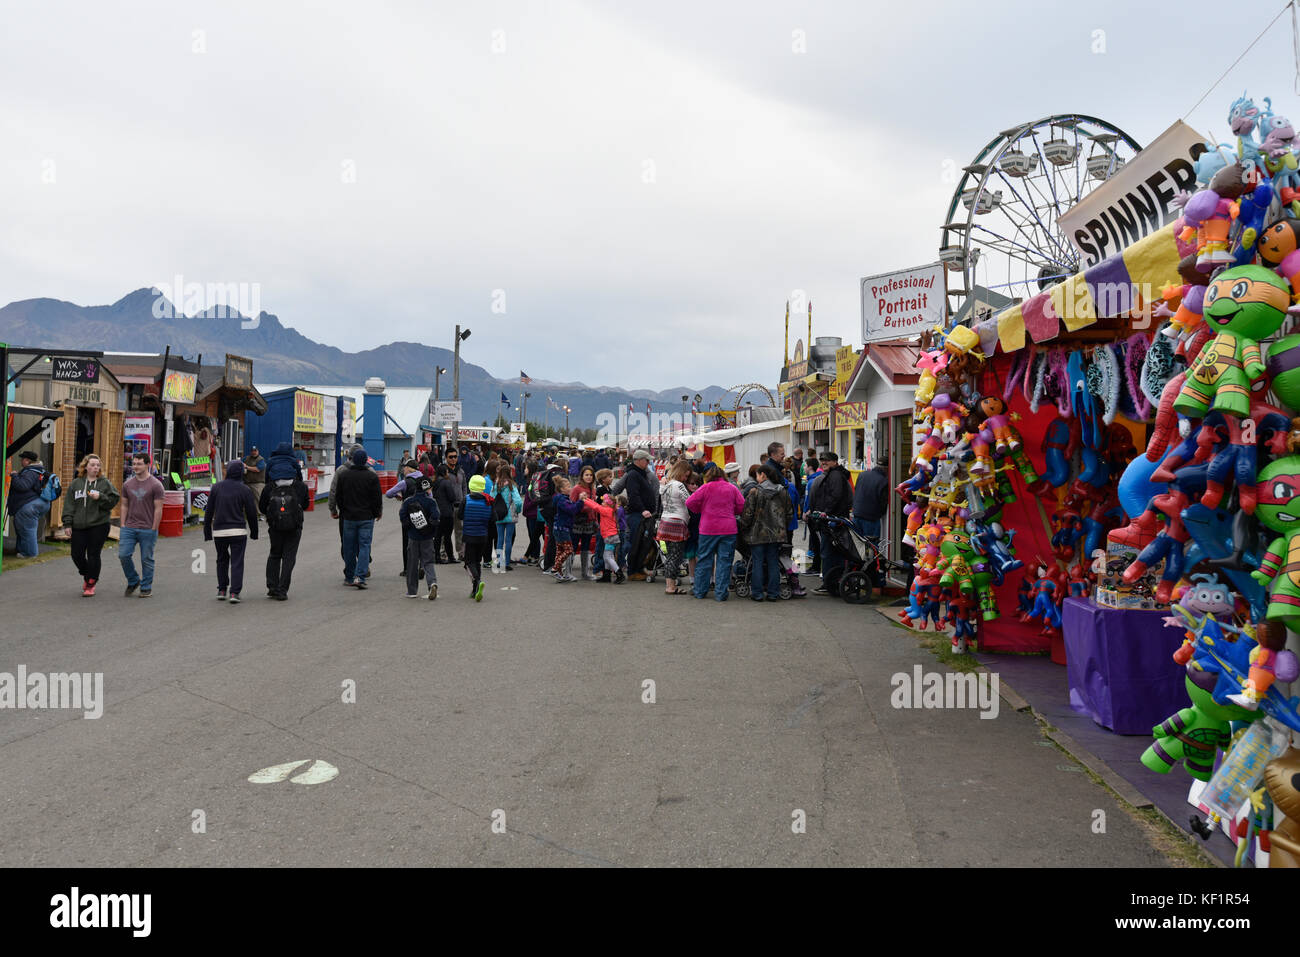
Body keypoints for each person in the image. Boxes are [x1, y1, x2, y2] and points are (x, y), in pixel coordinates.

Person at [61, 453, 120, 596]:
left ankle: (91, 583)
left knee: (93, 554)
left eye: (98, 465)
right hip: (79, 525)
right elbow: (69, 505)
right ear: (85, 466)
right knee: (76, 554)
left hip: (99, 524)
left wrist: (101, 497)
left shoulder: (104, 483)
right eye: (92, 465)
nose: (95, 468)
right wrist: (67, 523)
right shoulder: (76, 484)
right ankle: (88, 574)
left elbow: (113, 500)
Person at [204, 459, 260, 603]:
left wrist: (207, 532)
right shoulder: (245, 489)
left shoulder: (216, 488)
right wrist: (254, 532)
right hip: (238, 531)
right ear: (241, 472)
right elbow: (251, 513)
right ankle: (234, 593)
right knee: (237, 561)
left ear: (228, 471)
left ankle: (222, 589)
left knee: (221, 560)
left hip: (219, 531)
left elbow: (209, 511)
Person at [686, 464, 745, 601]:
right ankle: (721, 593)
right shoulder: (731, 488)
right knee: (724, 561)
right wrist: (732, 511)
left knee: (704, 559)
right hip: (728, 528)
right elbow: (742, 506)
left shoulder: (705, 487)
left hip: (708, 529)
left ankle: (700, 591)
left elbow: (690, 502)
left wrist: (700, 510)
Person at [739, 463, 794, 602]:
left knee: (757, 562)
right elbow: (789, 514)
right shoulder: (783, 491)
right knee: (773, 562)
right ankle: (773, 593)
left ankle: (757, 593)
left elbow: (747, 515)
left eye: (757, 475)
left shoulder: (755, 492)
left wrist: (743, 528)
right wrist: (782, 527)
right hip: (776, 534)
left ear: (763, 475)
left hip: (757, 534)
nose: (756, 478)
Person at [259, 459, 309, 600]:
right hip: (295, 527)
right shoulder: (300, 486)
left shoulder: (269, 487)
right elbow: (305, 505)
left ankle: (272, 587)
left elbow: (262, 507)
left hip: (275, 528)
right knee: (289, 557)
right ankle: (282, 590)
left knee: (275, 555)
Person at [335, 446, 383, 588]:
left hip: (349, 517)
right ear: (365, 461)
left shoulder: (344, 475)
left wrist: (342, 510)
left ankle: (349, 577)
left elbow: (339, 496)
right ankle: (360, 577)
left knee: (348, 547)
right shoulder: (372, 476)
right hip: (366, 517)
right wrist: (377, 512)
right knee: (364, 546)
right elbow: (376, 498)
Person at [119, 451, 164, 596]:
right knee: (123, 555)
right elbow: (124, 505)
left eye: (139, 464)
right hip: (129, 527)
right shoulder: (127, 484)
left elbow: (158, 508)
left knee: (146, 559)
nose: (135, 466)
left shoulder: (156, 485)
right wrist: (123, 524)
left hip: (148, 528)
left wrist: (154, 527)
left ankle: (146, 587)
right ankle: (133, 580)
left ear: (147, 464)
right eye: (134, 464)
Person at [810, 452, 855, 595]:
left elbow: (835, 496)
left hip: (832, 521)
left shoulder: (835, 476)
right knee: (834, 553)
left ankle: (829, 584)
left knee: (828, 553)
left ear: (835, 462)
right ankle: (833, 583)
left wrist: (826, 512)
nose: (824, 463)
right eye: (822, 461)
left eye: (827, 461)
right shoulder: (837, 474)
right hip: (834, 520)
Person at [399, 475, 440, 600]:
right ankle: (432, 583)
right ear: (427, 488)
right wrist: (429, 528)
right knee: (428, 562)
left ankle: (412, 591)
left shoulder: (408, 502)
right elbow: (436, 516)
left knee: (412, 563)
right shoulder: (431, 502)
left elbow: (402, 516)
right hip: (427, 537)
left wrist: (410, 526)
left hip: (413, 536)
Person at [853, 455, 890, 587]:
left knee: (858, 546)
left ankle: (857, 573)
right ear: (887, 468)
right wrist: (880, 514)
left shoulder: (863, 475)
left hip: (857, 515)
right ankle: (871, 576)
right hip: (871, 518)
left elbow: (856, 491)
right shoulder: (884, 481)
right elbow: (883, 503)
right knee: (872, 548)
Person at [656, 460, 691, 594]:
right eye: (685, 475)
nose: (685, 478)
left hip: (665, 521)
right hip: (677, 522)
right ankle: (670, 586)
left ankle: (670, 585)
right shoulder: (679, 485)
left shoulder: (665, 484)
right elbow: (689, 501)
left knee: (670, 554)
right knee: (675, 556)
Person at [7, 450, 50, 559]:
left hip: (30, 505)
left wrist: (15, 476)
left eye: (22, 459)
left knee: (27, 528)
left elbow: (23, 486)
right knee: (22, 526)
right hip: (38, 503)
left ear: (27, 460)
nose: (21, 461)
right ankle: (21, 550)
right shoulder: (38, 470)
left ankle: (30, 554)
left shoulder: (31, 471)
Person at [622, 449, 657, 580]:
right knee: (635, 543)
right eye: (646, 460)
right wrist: (643, 509)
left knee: (642, 544)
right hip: (637, 514)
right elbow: (633, 494)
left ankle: (638, 568)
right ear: (639, 460)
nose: (648, 463)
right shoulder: (633, 474)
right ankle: (632, 571)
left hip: (643, 514)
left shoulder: (640, 473)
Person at [459, 474, 493, 601]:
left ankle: (477, 581)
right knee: (477, 561)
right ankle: (475, 590)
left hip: (469, 536)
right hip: (483, 536)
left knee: (468, 562)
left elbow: (460, 516)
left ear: (470, 486)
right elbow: (493, 519)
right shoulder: (489, 500)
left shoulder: (466, 499)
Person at [550, 475, 584, 583]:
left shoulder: (561, 498)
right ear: (562, 489)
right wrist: (581, 501)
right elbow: (572, 509)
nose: (570, 488)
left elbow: (571, 506)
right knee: (569, 550)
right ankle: (555, 569)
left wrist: (578, 502)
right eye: (568, 486)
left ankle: (560, 573)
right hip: (562, 528)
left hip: (559, 528)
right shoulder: (562, 499)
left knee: (560, 551)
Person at [570, 465, 599, 581]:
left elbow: (594, 507)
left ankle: (585, 573)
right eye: (586, 475)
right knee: (573, 547)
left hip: (589, 523)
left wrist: (595, 520)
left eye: (591, 475)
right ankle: (567, 572)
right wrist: (582, 506)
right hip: (577, 522)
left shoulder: (593, 489)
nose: (589, 477)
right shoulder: (577, 489)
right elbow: (571, 505)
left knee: (586, 548)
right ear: (582, 476)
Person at [493, 463, 523, 573]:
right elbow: (518, 501)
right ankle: (506, 564)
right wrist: (517, 511)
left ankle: (500, 562)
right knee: (508, 539)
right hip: (510, 515)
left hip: (498, 515)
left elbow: (492, 498)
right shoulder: (511, 485)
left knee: (499, 539)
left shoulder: (496, 485)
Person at [431, 464, 458, 563]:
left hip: (437, 512)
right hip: (447, 512)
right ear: (444, 472)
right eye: (447, 471)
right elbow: (452, 497)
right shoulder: (446, 483)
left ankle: (436, 557)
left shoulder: (434, 483)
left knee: (437, 536)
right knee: (447, 536)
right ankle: (451, 557)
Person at [444, 447, 468, 559]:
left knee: (460, 531)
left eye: (455, 456)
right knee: (446, 532)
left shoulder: (461, 471)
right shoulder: (443, 471)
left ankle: (461, 553)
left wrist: (464, 500)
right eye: (451, 457)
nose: (453, 459)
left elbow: (464, 487)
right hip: (447, 507)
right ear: (446, 458)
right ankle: (443, 553)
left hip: (460, 506)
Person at [242, 446, 267, 514]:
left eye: (255, 451)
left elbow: (257, 469)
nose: (254, 452)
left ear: (258, 451)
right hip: (247, 482)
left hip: (258, 483)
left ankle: (260, 514)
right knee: (244, 498)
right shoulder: (246, 458)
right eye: (252, 451)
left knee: (258, 499)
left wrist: (246, 467)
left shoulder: (261, 460)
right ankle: (245, 513)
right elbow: (240, 463)